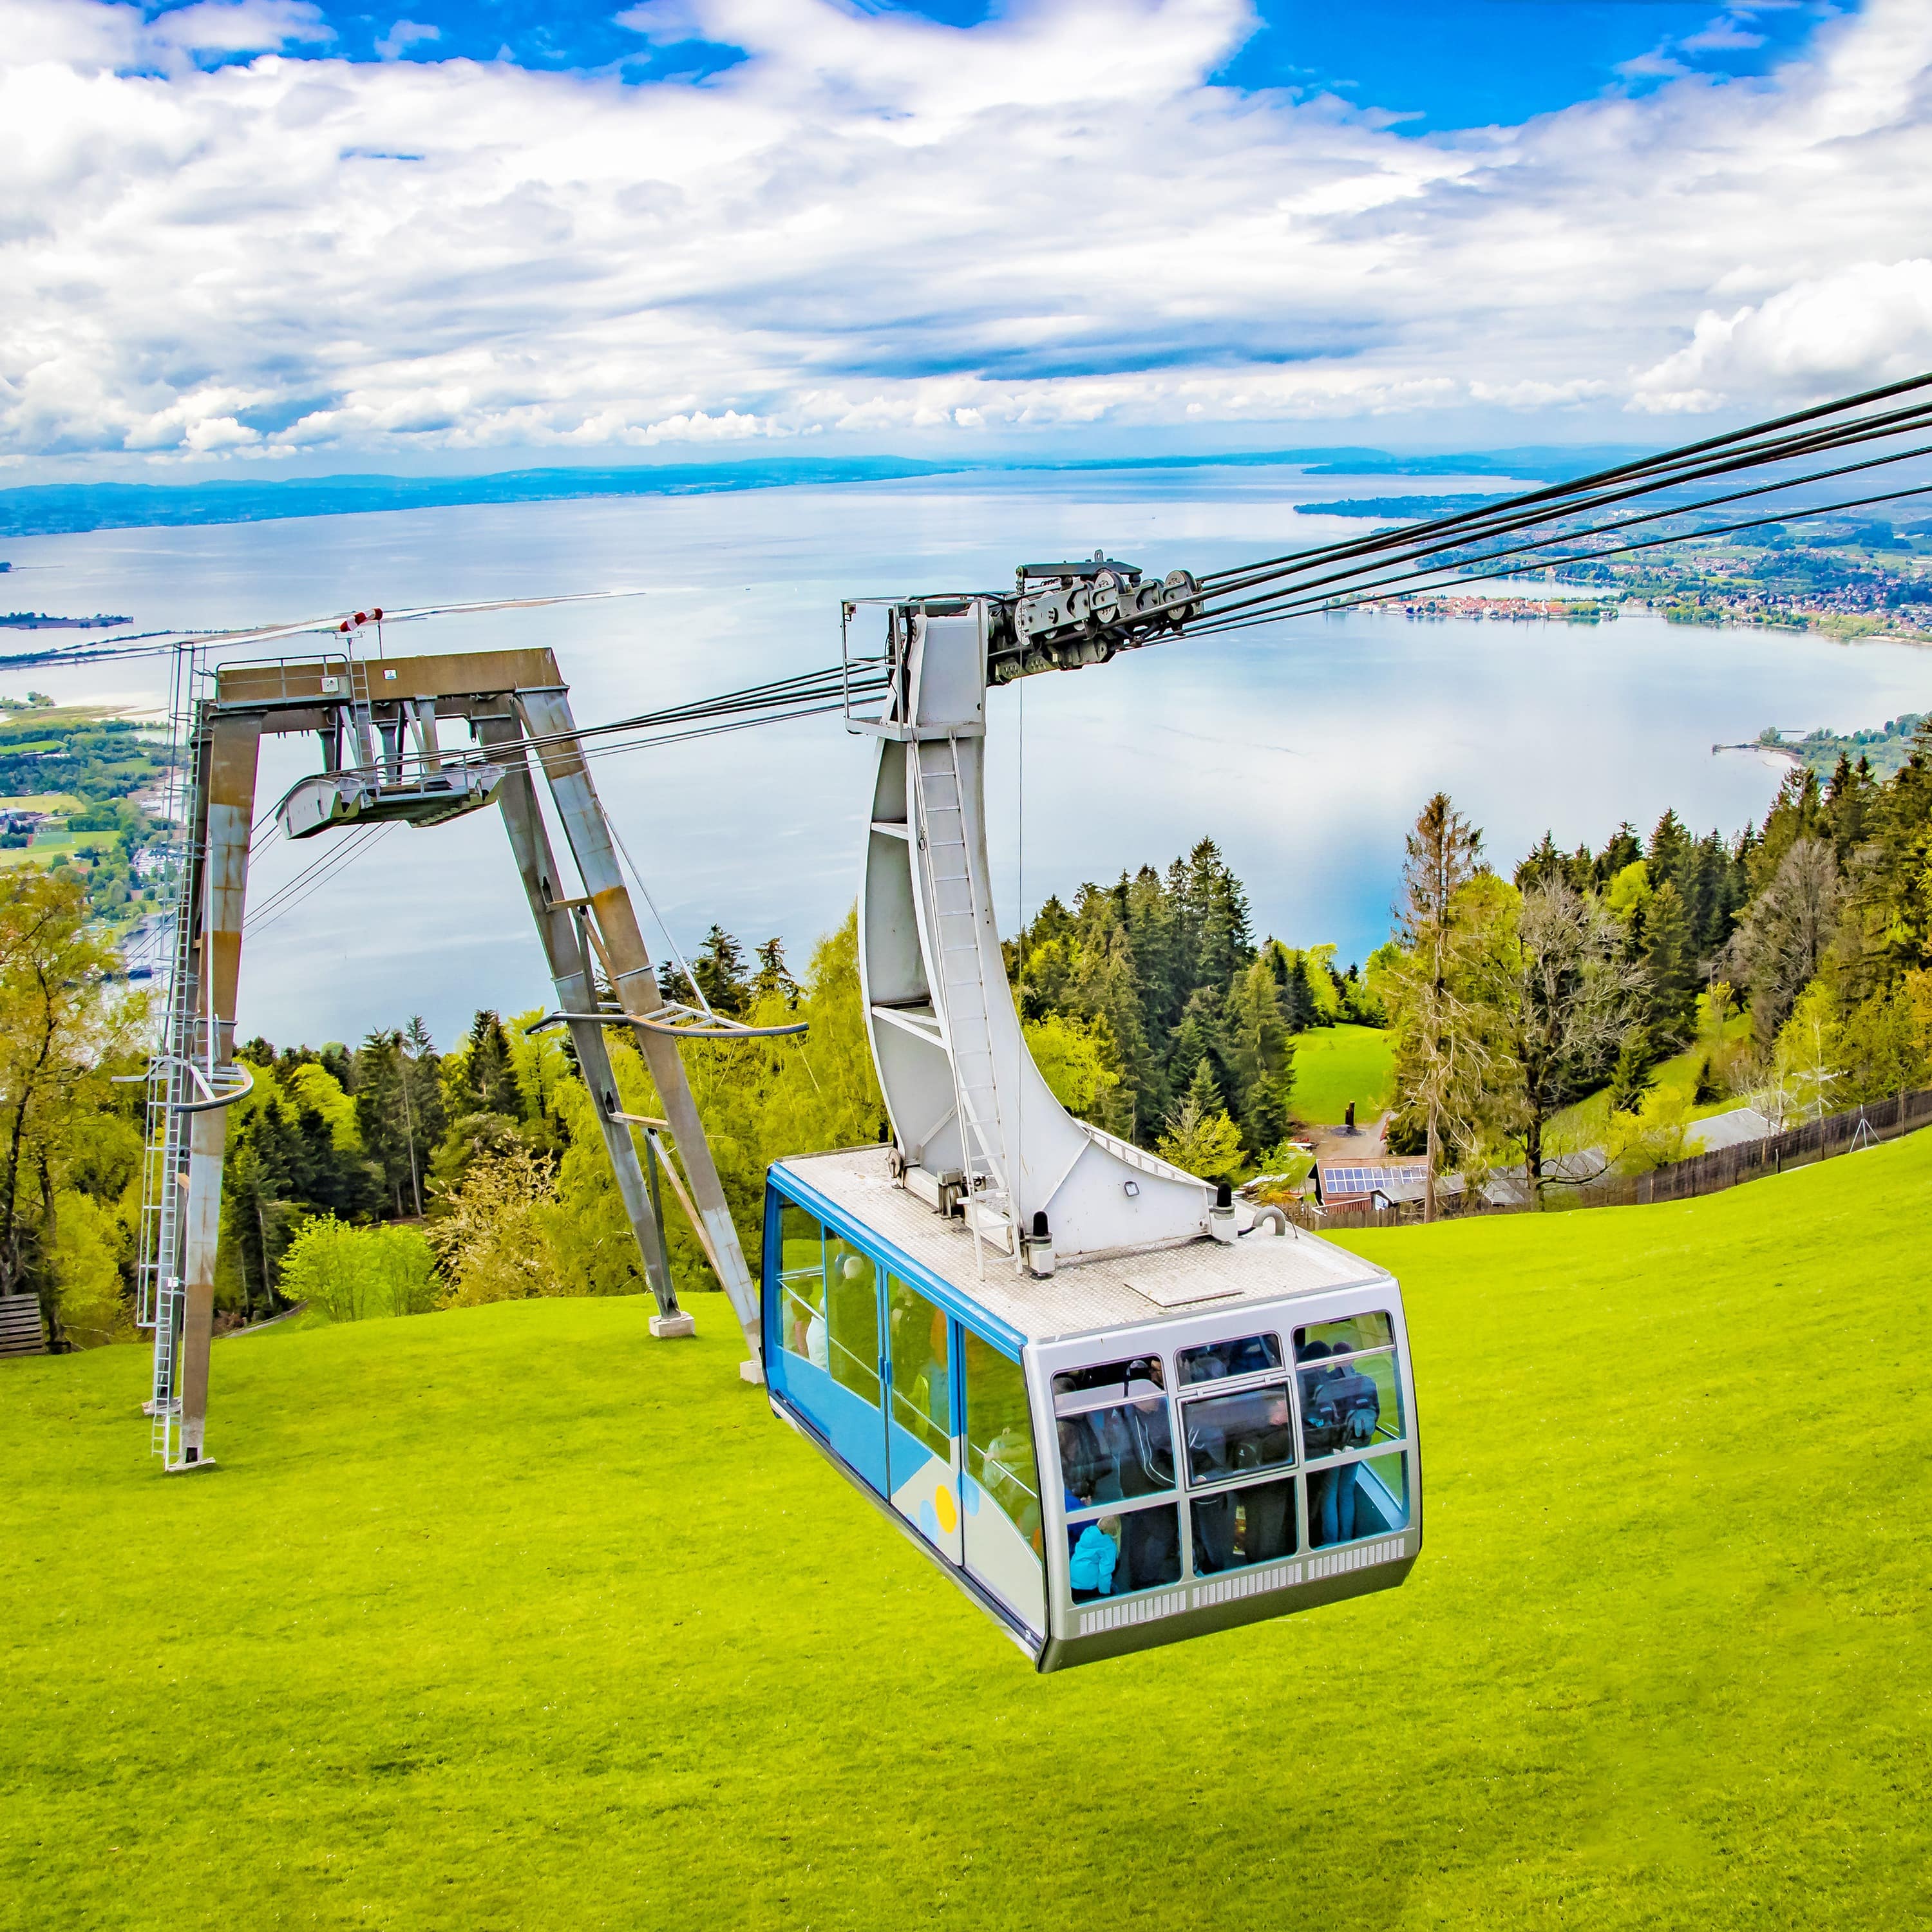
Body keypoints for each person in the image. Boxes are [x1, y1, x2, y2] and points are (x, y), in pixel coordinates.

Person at [1069, 1516, 1121, 1598]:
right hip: (1088, 1587)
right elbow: (1105, 1573)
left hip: (1073, 1581)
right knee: (1116, 1591)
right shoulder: (1109, 1546)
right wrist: (1105, 1594)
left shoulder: (1088, 1532)